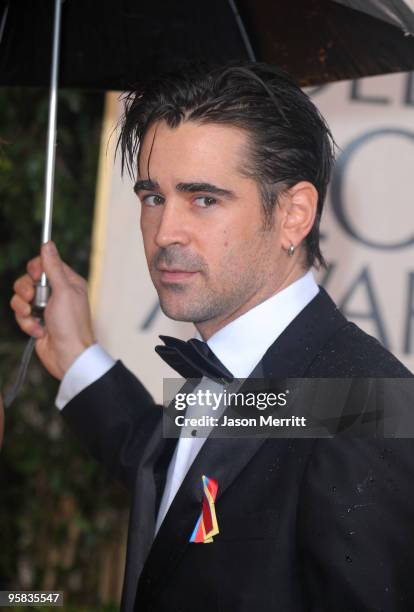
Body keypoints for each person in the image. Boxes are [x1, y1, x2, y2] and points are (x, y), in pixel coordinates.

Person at [11, 62, 414, 611]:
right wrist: (76, 356)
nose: (164, 233)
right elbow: (174, 486)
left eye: (204, 199)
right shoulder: (263, 379)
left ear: (294, 215)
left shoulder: (366, 407)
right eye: (153, 197)